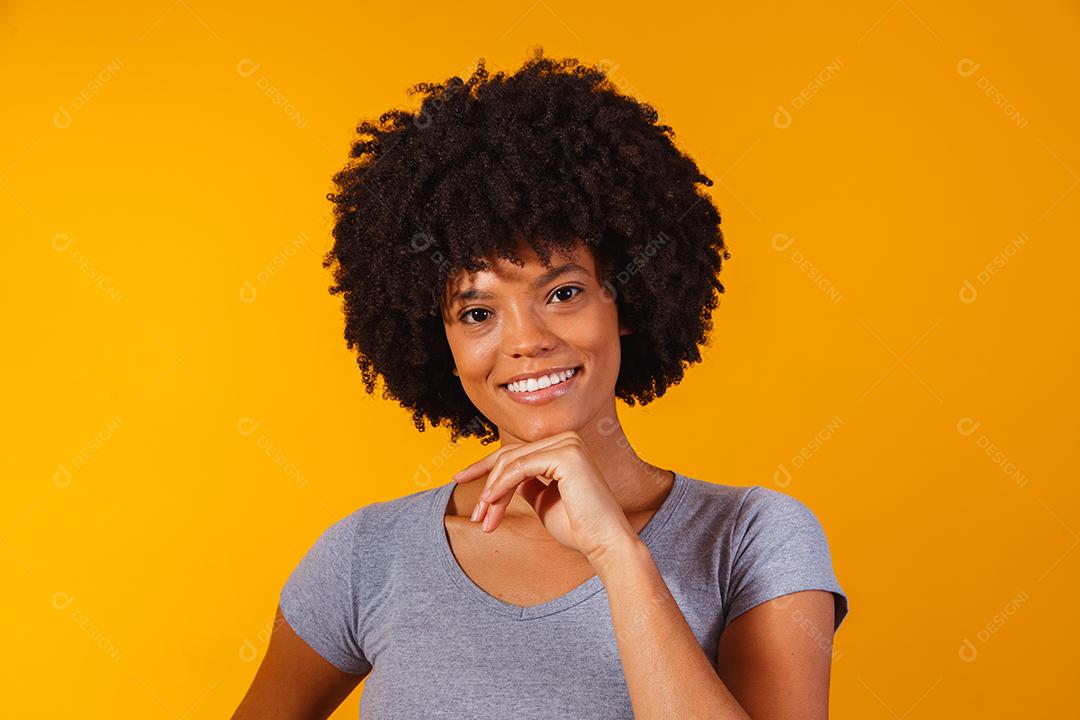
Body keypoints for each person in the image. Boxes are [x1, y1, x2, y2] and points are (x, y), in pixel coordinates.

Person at [233, 46, 848, 720]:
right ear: (439, 341)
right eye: (477, 312)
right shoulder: (367, 556)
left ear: (629, 302)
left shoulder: (753, 537)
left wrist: (615, 551)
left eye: (562, 293)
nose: (526, 340)